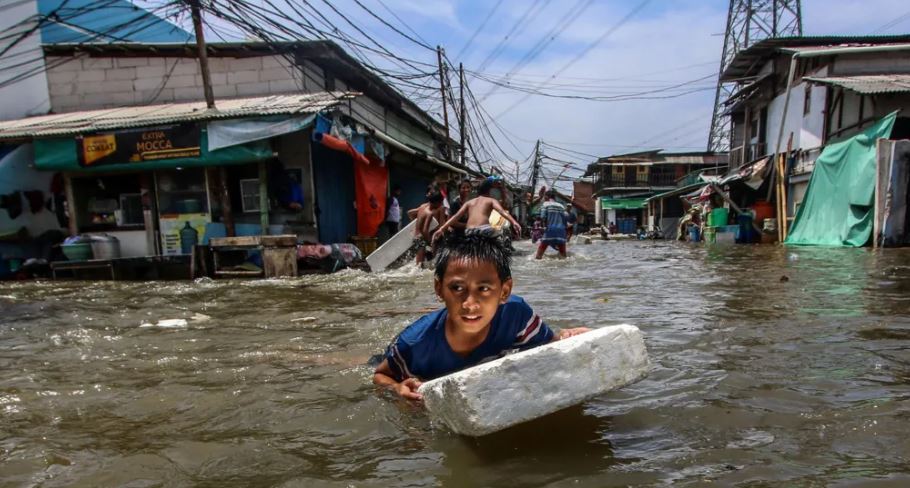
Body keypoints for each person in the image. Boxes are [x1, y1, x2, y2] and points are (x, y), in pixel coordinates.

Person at [372, 232, 590, 400]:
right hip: (401, 355)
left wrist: (565, 338)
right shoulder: (414, 344)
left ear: (504, 291)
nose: (470, 304)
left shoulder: (516, 316)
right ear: (439, 290)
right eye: (457, 288)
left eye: (484, 289)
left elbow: (545, 348)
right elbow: (379, 375)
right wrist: (397, 388)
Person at [431, 177, 521, 242]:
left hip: (469, 231)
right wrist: (514, 222)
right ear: (489, 191)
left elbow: (455, 217)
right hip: (484, 230)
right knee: (500, 238)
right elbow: (502, 212)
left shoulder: (469, 202)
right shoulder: (491, 200)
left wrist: (442, 229)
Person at [536, 190, 569, 259]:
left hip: (550, 230)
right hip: (561, 231)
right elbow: (565, 218)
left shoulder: (545, 204)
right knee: (563, 257)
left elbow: (542, 217)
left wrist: (542, 227)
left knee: (538, 256)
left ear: (546, 196)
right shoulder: (561, 206)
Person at [414, 191, 444, 265]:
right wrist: (430, 242)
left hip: (416, 237)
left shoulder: (421, 208)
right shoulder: (429, 213)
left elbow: (411, 213)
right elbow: (425, 230)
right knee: (420, 266)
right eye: (440, 203)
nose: (441, 205)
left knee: (418, 264)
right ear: (436, 202)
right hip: (421, 238)